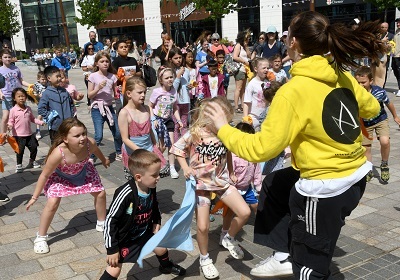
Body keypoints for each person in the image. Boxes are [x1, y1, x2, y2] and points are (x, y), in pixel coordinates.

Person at [204, 11, 385, 279]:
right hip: (354, 177)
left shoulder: (293, 90)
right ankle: (283, 255)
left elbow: (261, 149)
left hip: (326, 188)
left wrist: (223, 129)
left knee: (309, 270)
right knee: (274, 185)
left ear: (294, 43)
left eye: (288, 33)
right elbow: (371, 107)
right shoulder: (340, 75)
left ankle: (298, 259)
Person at [171, 96, 251, 280]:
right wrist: (185, 167)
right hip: (202, 185)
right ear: (210, 116)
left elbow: (229, 151)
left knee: (244, 212)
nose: (226, 123)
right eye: (224, 119)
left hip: (222, 182)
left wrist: (230, 170)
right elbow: (177, 149)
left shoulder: (226, 132)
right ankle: (205, 258)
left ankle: (228, 237)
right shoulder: (196, 132)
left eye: (229, 120)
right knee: (202, 227)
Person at [26, 118, 110, 254]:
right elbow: (44, 175)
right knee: (53, 202)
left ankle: (102, 222)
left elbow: (96, 150)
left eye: (83, 133)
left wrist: (104, 160)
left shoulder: (89, 143)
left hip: (83, 171)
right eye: (77, 136)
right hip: (61, 177)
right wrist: (34, 197)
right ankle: (40, 237)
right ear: (65, 138)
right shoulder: (59, 153)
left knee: (100, 192)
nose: (82, 138)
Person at [100, 149, 186, 279]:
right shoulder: (125, 194)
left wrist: (157, 220)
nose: (158, 178)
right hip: (126, 239)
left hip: (144, 232)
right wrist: (112, 250)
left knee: (161, 247)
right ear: (138, 177)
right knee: (114, 269)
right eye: (154, 175)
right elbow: (110, 221)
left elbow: (155, 204)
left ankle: (166, 266)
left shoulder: (150, 186)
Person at [355, 66, 400, 182]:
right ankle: (368, 169)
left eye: (363, 82)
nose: (360, 85)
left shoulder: (379, 92)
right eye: (357, 82)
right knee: (366, 148)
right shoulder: (355, 94)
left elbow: (388, 103)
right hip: (365, 123)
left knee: (385, 141)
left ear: (370, 81)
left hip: (380, 119)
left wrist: (395, 116)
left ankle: (384, 165)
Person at [118, 76, 167, 180]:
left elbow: (149, 130)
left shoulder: (147, 109)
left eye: (144, 92)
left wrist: (155, 144)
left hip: (149, 148)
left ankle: (152, 196)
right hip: (134, 153)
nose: (143, 95)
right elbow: (125, 139)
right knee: (137, 181)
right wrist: (141, 152)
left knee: (152, 178)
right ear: (129, 94)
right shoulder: (124, 113)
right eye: (139, 92)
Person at [149, 67, 183, 179]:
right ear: (161, 80)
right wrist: (153, 119)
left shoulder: (174, 91)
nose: (170, 79)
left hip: (168, 120)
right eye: (166, 78)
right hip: (158, 120)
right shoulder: (156, 92)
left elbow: (175, 107)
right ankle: (153, 164)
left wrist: (178, 120)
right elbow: (150, 106)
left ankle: (172, 167)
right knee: (161, 146)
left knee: (172, 144)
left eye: (171, 77)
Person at [88, 51, 122, 161]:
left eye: (107, 61)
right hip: (97, 108)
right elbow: (89, 95)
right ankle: (90, 156)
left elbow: (116, 93)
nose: (105, 63)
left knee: (117, 133)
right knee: (98, 136)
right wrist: (98, 88)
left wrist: (119, 91)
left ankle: (119, 152)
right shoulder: (93, 76)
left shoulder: (112, 77)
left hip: (109, 107)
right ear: (97, 63)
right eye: (102, 61)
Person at [7, 88, 44, 173]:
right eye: (19, 96)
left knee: (34, 147)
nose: (21, 98)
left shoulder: (28, 108)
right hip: (18, 135)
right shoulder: (13, 110)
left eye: (23, 96)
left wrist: (41, 122)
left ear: (26, 97)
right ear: (14, 98)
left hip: (29, 134)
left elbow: (32, 119)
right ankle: (19, 164)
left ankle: (32, 161)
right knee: (20, 150)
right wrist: (9, 126)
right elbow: (11, 121)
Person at [38, 66, 75, 143]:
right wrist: (51, 117)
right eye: (57, 76)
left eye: (60, 76)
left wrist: (71, 116)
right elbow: (41, 109)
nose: (59, 79)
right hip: (55, 127)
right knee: (56, 147)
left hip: (68, 125)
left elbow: (71, 104)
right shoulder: (46, 93)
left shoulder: (64, 91)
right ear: (49, 78)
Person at [232, 122, 262, 215]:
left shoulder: (252, 156)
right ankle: (225, 229)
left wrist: (258, 186)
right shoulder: (233, 157)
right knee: (230, 212)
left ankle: (260, 223)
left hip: (247, 188)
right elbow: (229, 172)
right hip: (234, 189)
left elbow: (257, 172)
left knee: (255, 205)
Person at [0, 49, 31, 135]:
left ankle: (19, 133)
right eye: (5, 57)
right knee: (5, 117)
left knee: (19, 116)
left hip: (18, 96)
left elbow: (21, 81)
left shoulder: (16, 68)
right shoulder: (0, 70)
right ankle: (2, 135)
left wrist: (30, 85)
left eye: (9, 57)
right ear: (1, 58)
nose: (7, 59)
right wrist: (1, 93)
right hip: (6, 96)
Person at [167, 47, 191, 141]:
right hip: (175, 102)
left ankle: (184, 144)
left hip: (185, 100)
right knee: (176, 124)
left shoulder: (187, 71)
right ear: (171, 59)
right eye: (176, 58)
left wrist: (190, 86)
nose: (178, 60)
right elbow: (172, 88)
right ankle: (176, 144)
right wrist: (177, 76)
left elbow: (186, 84)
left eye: (180, 57)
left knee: (185, 124)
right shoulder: (170, 72)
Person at [242, 57, 271, 130]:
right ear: (256, 69)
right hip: (254, 117)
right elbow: (246, 102)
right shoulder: (252, 84)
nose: (266, 70)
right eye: (264, 68)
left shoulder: (268, 82)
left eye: (268, 68)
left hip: (266, 116)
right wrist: (246, 117)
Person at [232, 29, 251, 113]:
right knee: (238, 88)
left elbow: (249, 55)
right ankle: (236, 106)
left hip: (245, 70)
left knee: (243, 88)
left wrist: (246, 46)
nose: (248, 39)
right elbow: (235, 57)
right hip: (240, 69)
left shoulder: (243, 46)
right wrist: (244, 61)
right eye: (247, 38)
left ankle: (243, 105)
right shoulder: (238, 45)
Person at [33, 71, 47, 140]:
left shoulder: (48, 84)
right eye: (43, 79)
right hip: (41, 103)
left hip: (48, 102)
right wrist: (39, 95)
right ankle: (38, 130)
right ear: (38, 79)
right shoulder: (36, 85)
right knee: (40, 116)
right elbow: (34, 94)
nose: (44, 81)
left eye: (45, 79)